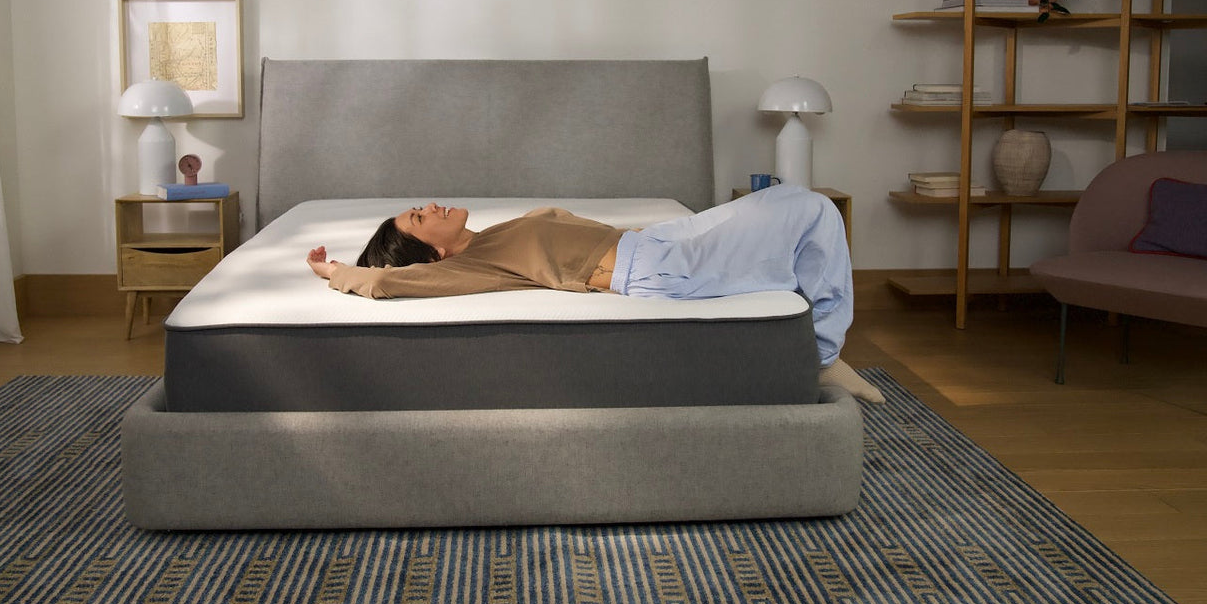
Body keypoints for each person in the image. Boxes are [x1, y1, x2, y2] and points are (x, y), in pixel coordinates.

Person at [305, 184, 882, 402]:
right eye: (418, 216)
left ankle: (804, 329)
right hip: (659, 268)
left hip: (653, 239)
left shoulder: (493, 234)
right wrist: (336, 272)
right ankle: (822, 357)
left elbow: (553, 222)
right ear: (432, 253)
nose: (429, 203)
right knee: (813, 209)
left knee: (785, 200)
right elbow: (384, 281)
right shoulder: (472, 264)